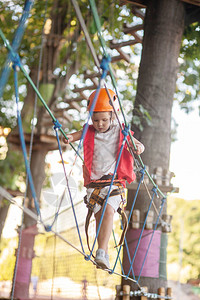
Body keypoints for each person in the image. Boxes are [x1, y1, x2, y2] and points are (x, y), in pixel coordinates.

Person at [64, 88, 145, 269]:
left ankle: (101, 251)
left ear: (113, 116)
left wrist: (138, 147)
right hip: (95, 185)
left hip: (114, 183)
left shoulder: (120, 132)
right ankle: (104, 253)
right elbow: (75, 135)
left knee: (109, 211)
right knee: (100, 218)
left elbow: (136, 143)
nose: (100, 124)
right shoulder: (89, 130)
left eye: (104, 120)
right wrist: (67, 137)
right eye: (95, 120)